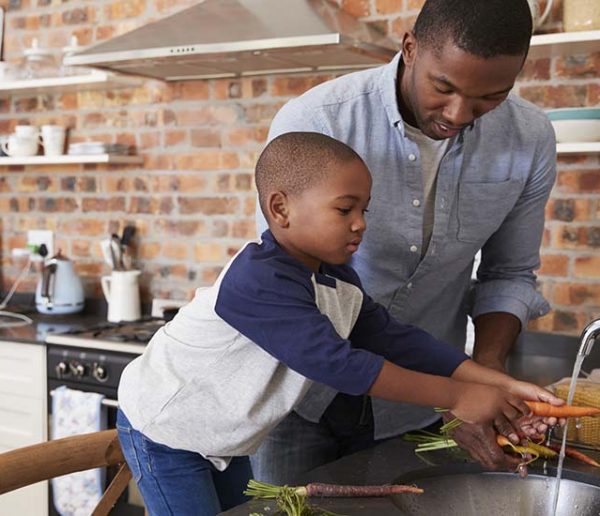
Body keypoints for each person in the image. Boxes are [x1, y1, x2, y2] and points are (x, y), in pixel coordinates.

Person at [116, 132, 560, 515]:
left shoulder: (333, 277)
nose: (360, 224)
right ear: (280, 209)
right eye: (345, 209)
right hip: (166, 432)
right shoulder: (259, 279)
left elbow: (392, 338)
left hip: (221, 439)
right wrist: (460, 395)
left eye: (364, 209)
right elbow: (338, 365)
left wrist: (498, 384)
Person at [254, 0, 557, 481]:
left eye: (490, 98)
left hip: (421, 413)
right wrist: (459, 391)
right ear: (410, 48)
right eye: (444, 87)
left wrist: (484, 378)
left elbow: (508, 274)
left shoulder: (529, 138)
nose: (459, 114)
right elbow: (292, 287)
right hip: (300, 400)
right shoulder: (319, 120)